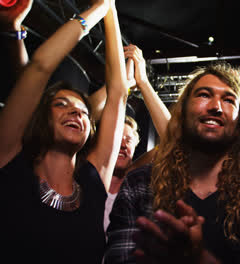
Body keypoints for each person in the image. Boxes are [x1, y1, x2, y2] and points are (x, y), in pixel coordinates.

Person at [105, 63, 240, 263]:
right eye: (204, 95)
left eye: (229, 100)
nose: (216, 107)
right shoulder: (139, 184)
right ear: (182, 113)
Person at [0, 0, 129, 262]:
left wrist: (112, 11)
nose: (76, 113)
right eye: (62, 105)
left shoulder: (94, 182)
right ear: (41, 117)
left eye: (83, 111)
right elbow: (40, 65)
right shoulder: (10, 162)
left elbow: (118, 94)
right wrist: (100, 8)